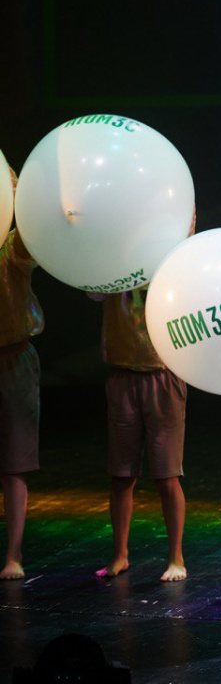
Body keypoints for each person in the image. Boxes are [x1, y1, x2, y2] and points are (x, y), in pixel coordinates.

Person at [93, 284, 189, 581]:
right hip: (123, 375)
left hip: (163, 374)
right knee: (121, 474)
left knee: (167, 475)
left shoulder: (167, 271)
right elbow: (92, 290)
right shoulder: (113, 271)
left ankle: (176, 557)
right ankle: (120, 554)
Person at [0, 169, 42, 580]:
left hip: (13, 358)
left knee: (14, 462)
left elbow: (31, 240)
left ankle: (13, 554)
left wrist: (20, 195)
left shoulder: (11, 246)